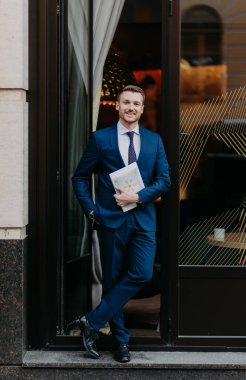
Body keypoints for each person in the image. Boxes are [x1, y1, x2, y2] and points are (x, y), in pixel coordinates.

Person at [71, 85, 171, 362]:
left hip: (143, 220)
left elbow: (164, 181)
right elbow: (79, 178)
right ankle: (121, 342)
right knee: (113, 280)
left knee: (142, 273)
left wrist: (138, 196)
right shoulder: (101, 139)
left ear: (142, 109)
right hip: (111, 220)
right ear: (117, 106)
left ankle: (91, 320)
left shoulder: (154, 141)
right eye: (126, 102)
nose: (131, 107)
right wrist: (92, 211)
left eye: (136, 104)